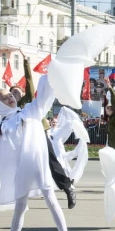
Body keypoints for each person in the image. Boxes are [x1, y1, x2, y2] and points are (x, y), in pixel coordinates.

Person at [0, 75, 74, 231]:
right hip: (19, 171)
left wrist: (49, 76)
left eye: (10, 95)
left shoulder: (29, 112)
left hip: (37, 166)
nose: (10, 97)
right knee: (20, 206)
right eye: (4, 97)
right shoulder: (0, 127)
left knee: (51, 201)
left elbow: (43, 98)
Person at [11, 50, 76, 209]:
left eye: (17, 91)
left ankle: (67, 187)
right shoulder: (12, 108)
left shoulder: (28, 100)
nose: (14, 94)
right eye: (11, 92)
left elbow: (29, 81)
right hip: (23, 138)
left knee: (51, 161)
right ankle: (20, 198)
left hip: (39, 131)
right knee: (20, 166)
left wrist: (26, 63)